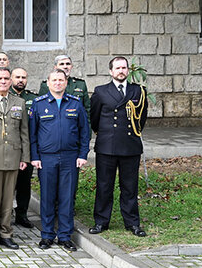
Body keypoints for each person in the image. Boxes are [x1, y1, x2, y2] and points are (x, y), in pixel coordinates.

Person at [29, 69, 90, 252]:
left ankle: (65, 236)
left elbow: (84, 131)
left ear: (65, 82)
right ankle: (47, 235)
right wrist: (34, 157)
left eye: (61, 80)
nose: (57, 83)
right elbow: (32, 134)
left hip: (70, 158)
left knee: (67, 198)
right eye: (54, 80)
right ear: (48, 83)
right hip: (46, 158)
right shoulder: (39, 104)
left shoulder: (75, 103)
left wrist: (83, 154)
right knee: (47, 197)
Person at [89, 56, 148, 237]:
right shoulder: (101, 91)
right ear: (111, 71)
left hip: (130, 146)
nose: (121, 71)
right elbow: (94, 118)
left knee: (130, 187)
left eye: (124, 68)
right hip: (107, 146)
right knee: (104, 186)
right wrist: (105, 134)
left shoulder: (138, 91)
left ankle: (132, 223)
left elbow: (141, 117)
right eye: (118, 68)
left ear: (128, 70)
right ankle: (101, 222)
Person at [0, 67, 30, 251]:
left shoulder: (20, 102)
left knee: (9, 198)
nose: (3, 81)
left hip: (13, 156)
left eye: (6, 78)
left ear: (10, 81)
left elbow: (24, 132)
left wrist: (25, 157)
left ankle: (6, 233)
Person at [10, 67, 37, 229]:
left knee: (24, 184)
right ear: (11, 79)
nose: (20, 80)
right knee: (7, 185)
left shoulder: (34, 99)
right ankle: (5, 214)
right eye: (17, 77)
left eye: (23, 77)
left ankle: (22, 215)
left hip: (27, 148)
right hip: (9, 148)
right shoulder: (6, 96)